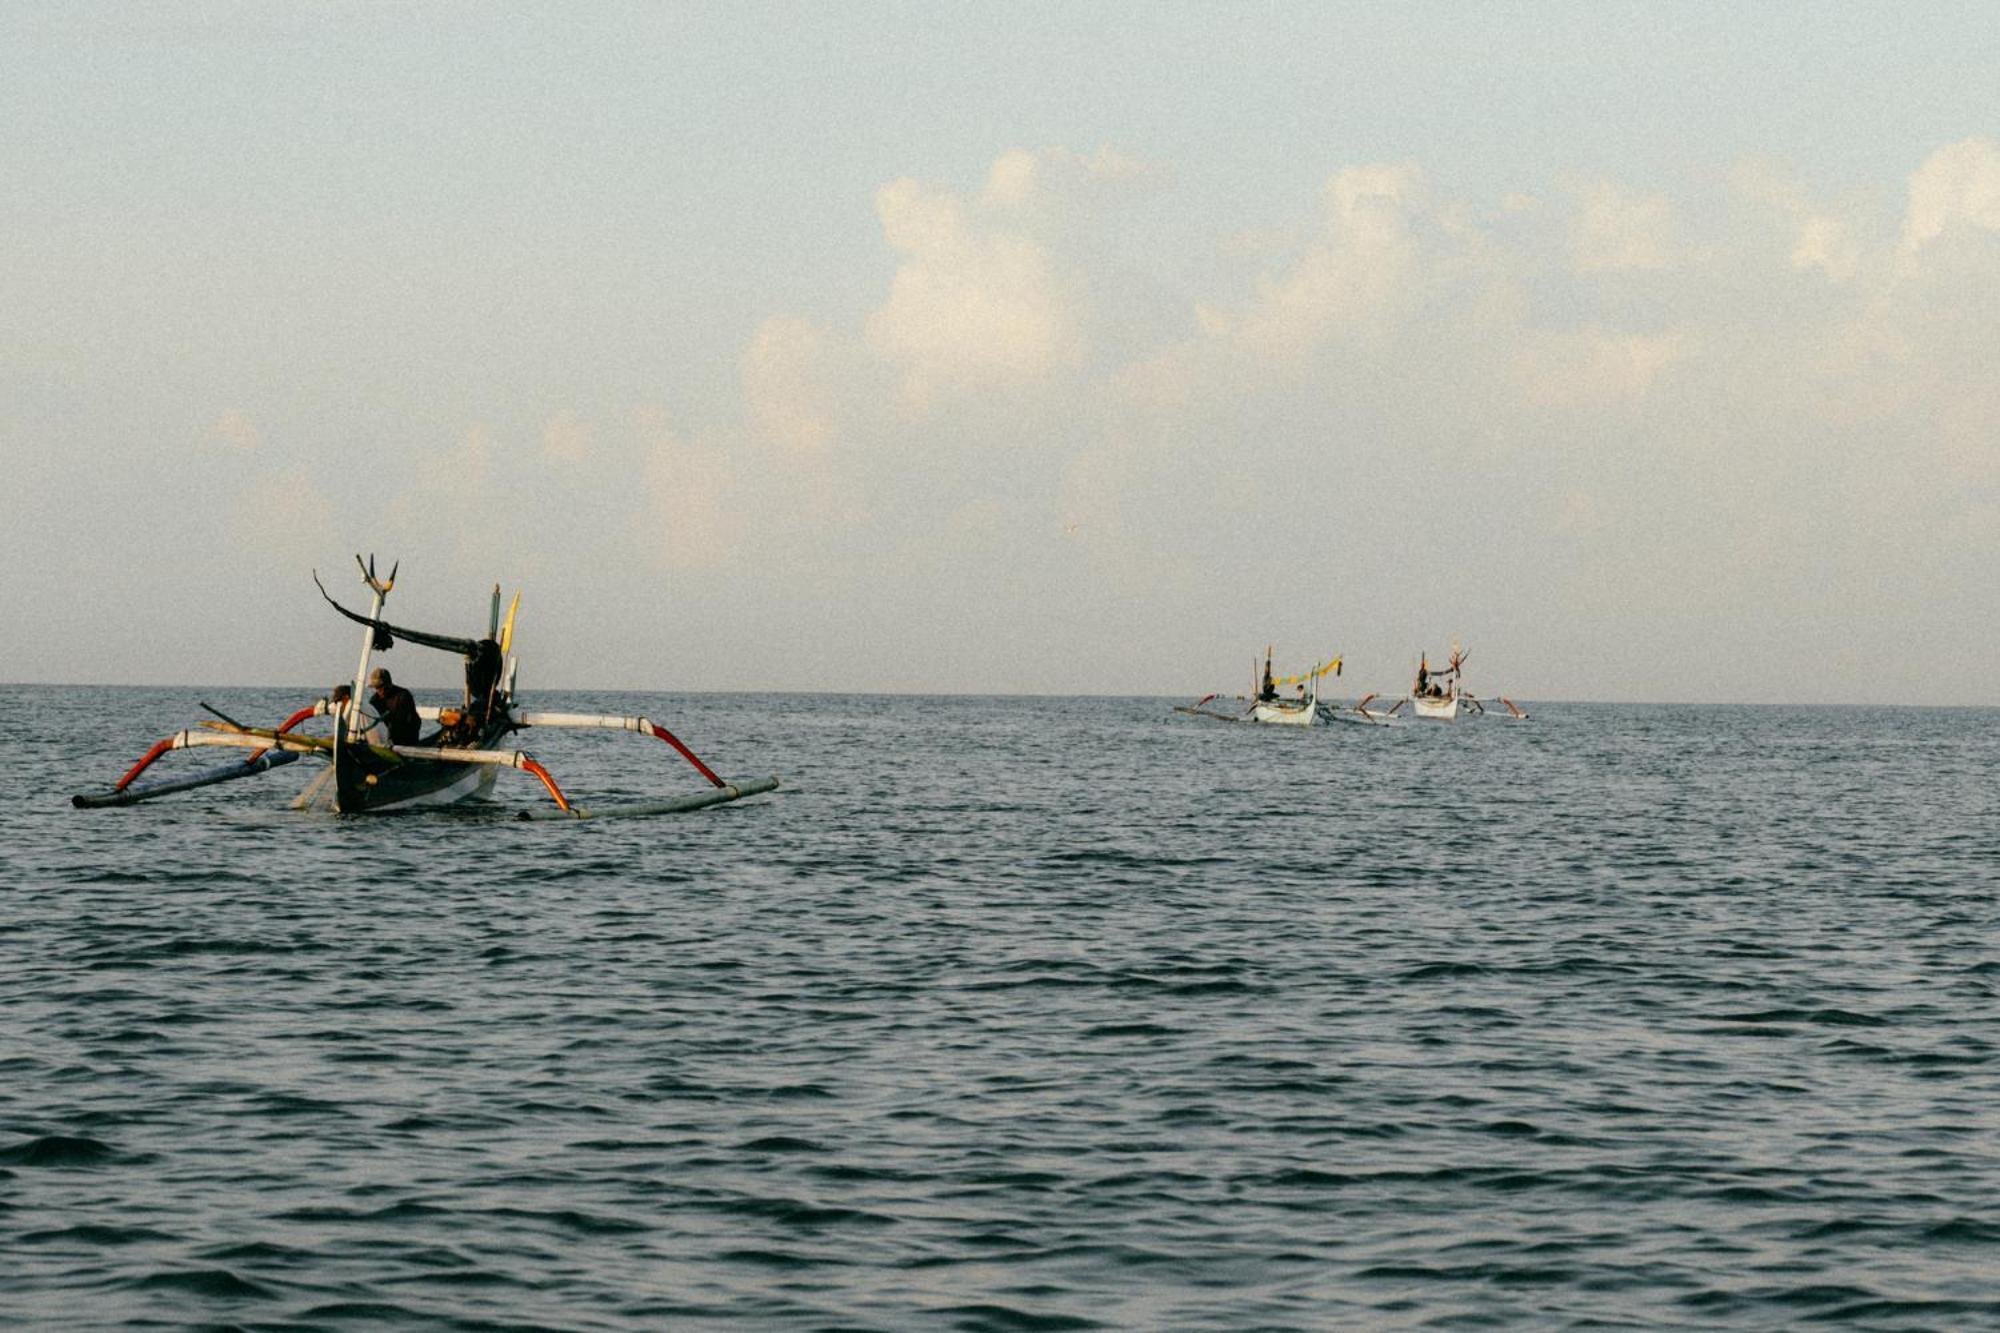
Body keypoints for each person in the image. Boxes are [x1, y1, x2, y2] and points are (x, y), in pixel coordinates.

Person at [367, 667, 420, 745]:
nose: (379, 690)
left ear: (389, 684)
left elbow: (405, 722)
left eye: (380, 687)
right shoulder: (374, 700)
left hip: (405, 739)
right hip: (383, 740)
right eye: (376, 687)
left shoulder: (403, 696)